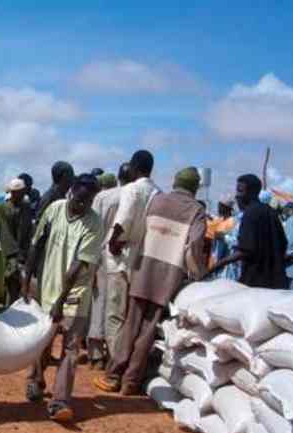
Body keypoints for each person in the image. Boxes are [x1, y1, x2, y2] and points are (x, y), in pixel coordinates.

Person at [95, 168, 208, 395]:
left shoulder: (156, 201)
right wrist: (198, 273)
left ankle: (113, 375)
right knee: (148, 329)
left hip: (143, 268)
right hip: (169, 274)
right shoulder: (196, 211)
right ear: (195, 187)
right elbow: (195, 247)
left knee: (131, 324)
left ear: (175, 181)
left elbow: (138, 230)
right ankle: (131, 382)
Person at [22, 174, 102, 422]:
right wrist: (26, 280)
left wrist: (61, 301)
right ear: (72, 191)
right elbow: (37, 244)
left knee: (70, 347)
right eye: (79, 199)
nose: (83, 205)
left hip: (75, 292)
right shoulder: (54, 209)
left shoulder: (94, 224)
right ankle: (35, 379)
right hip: (48, 288)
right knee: (44, 339)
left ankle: (60, 401)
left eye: (88, 201)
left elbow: (77, 267)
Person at [101, 150, 161, 367]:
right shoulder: (157, 192)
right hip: (142, 258)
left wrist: (114, 240)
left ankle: (116, 363)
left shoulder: (131, 189)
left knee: (115, 313)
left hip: (121, 257)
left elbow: (123, 218)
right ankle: (127, 358)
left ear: (134, 167)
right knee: (131, 315)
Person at [86, 163, 131, 370]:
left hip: (102, 254)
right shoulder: (139, 197)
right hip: (128, 259)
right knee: (121, 308)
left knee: (99, 301)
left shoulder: (104, 197)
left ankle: (96, 354)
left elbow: (92, 229)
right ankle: (117, 353)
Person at [212, 174, 288, 289]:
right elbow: (283, 243)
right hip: (276, 281)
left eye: (240, 191)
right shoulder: (271, 212)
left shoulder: (250, 213)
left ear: (252, 192)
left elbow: (245, 250)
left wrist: (217, 265)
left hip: (255, 282)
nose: (237, 195)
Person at [0, 178, 33, 306]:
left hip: (24, 252)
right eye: (19, 191)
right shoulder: (3, 208)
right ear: (12, 192)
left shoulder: (26, 207)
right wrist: (15, 255)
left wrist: (26, 252)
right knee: (11, 282)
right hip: (11, 254)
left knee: (22, 285)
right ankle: (9, 310)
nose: (22, 193)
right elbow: (5, 233)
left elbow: (27, 231)